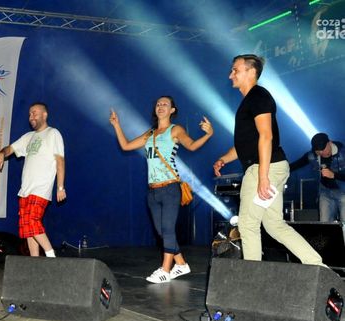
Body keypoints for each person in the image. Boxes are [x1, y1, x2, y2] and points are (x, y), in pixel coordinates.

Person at [213, 54, 324, 265]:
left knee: (247, 224)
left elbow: (266, 136)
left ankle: (252, 277)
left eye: (235, 70)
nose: (230, 75)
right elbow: (248, 143)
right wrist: (224, 159)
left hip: (264, 168)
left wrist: (263, 176)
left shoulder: (258, 96)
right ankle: (318, 265)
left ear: (251, 72)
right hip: (272, 166)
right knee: (274, 225)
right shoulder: (251, 100)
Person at [109, 96, 214, 283]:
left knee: (167, 229)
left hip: (170, 188)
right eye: (158, 104)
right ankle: (181, 263)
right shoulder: (150, 133)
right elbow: (125, 146)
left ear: (172, 110)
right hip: (153, 190)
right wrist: (117, 125)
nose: (161, 106)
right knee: (161, 232)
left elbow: (191, 146)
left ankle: (165, 270)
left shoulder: (175, 130)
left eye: (165, 104)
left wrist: (208, 135)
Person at [0, 102, 66, 257]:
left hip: (40, 188)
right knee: (28, 229)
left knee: (32, 221)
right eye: (29, 114)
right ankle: (35, 261)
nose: (31, 116)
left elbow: (60, 161)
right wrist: (1, 154)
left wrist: (60, 187)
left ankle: (51, 255)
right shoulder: (28, 137)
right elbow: (10, 149)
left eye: (35, 113)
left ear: (45, 115)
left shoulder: (53, 133)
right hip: (25, 190)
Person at [290, 132, 345, 241]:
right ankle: (330, 250)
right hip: (325, 193)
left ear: (330, 142)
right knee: (325, 224)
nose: (323, 153)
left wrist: (334, 175)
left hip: (343, 192)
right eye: (319, 152)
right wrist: (278, 168)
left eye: (324, 149)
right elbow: (295, 165)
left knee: (344, 224)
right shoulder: (312, 155)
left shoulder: (343, 152)